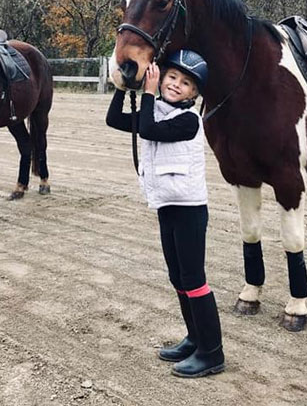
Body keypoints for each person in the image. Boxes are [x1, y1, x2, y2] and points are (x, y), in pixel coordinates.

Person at [106, 50, 225, 378]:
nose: (175, 85)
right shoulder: (156, 109)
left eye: (185, 83)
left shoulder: (189, 121)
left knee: (194, 279)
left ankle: (212, 352)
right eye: (172, 77)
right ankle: (195, 338)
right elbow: (115, 120)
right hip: (167, 207)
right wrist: (122, 86)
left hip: (189, 209)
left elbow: (147, 129)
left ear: (194, 93)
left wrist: (147, 91)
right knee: (178, 278)